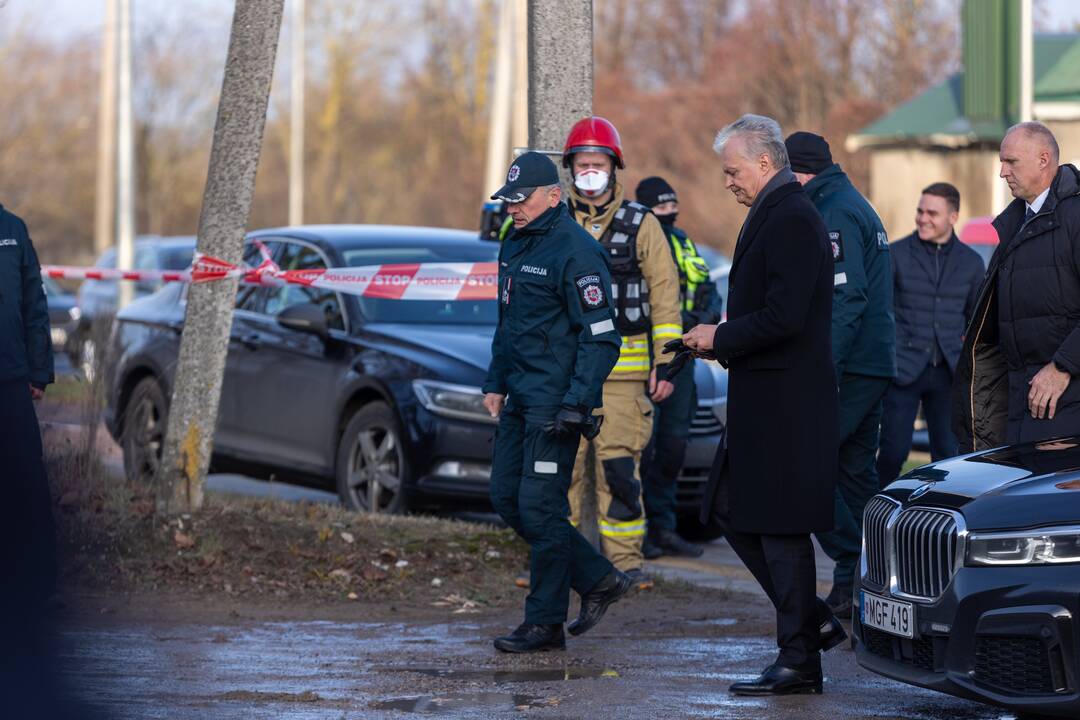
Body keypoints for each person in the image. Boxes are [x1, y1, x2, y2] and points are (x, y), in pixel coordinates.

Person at [685, 114, 845, 696]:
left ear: (763, 162)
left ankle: (799, 659)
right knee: (728, 504)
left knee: (780, 530)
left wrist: (718, 338)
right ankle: (811, 623)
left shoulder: (794, 218)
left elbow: (786, 317)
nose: (726, 181)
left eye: (731, 170)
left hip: (786, 404)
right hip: (763, 398)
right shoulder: (772, 213)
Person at [483, 152, 632, 653]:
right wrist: (494, 382)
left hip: (557, 404)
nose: (513, 210)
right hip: (521, 398)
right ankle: (597, 578)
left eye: (521, 201)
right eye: (508, 202)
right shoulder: (514, 245)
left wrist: (577, 401)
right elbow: (508, 325)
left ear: (553, 195)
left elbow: (603, 338)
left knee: (541, 509)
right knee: (506, 498)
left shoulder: (576, 251)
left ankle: (544, 624)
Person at [562, 117, 683, 588]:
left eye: (599, 163)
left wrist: (667, 361)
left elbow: (665, 294)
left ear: (614, 169)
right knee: (562, 475)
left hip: (624, 377)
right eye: (582, 164)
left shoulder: (641, 223)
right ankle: (561, 565)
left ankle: (625, 566)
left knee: (619, 472)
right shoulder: (554, 221)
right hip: (566, 375)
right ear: (570, 169)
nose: (590, 171)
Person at [784, 131, 895, 619]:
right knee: (853, 472)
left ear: (798, 172)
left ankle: (855, 559)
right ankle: (874, 576)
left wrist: (822, 368)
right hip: (868, 364)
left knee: (808, 463)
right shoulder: (848, 202)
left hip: (850, 367)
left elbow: (848, 297)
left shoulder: (832, 212)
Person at [955, 121, 1080, 450]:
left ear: (1043, 159)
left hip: (1065, 404)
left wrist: (1064, 366)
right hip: (1019, 400)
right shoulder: (1014, 223)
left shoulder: (1075, 217)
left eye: (1011, 162)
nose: (1002, 172)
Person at [635, 176, 722, 559]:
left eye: (673, 207)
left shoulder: (684, 241)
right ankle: (639, 532)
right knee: (643, 448)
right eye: (661, 209)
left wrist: (700, 320)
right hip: (646, 357)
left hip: (683, 357)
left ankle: (664, 529)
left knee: (673, 447)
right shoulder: (635, 240)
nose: (669, 214)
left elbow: (708, 289)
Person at [876, 183, 984, 485]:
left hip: (948, 372)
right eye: (920, 211)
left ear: (953, 217)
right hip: (903, 370)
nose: (923, 218)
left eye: (932, 213)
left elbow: (976, 321)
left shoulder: (971, 263)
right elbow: (881, 312)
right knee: (893, 452)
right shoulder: (895, 254)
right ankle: (872, 518)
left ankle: (937, 521)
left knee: (947, 457)